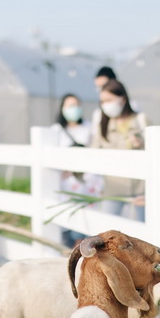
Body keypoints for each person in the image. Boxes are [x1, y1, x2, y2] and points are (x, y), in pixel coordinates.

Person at [91, 79, 148, 220]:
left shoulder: (141, 120)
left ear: (122, 99)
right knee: (107, 229)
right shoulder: (102, 125)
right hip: (113, 187)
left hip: (140, 188)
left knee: (143, 232)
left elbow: (155, 150)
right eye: (102, 102)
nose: (106, 105)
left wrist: (141, 143)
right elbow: (92, 153)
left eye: (109, 100)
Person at [50, 94, 102, 248]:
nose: (74, 109)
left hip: (86, 182)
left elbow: (95, 149)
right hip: (65, 183)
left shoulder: (88, 127)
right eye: (70, 106)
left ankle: (80, 253)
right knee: (67, 220)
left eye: (76, 105)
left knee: (84, 221)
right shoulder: (56, 130)